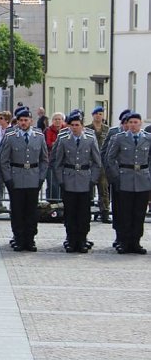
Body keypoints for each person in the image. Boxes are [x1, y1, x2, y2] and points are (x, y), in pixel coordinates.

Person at [0, 106, 48, 252]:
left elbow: (44, 160)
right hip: (16, 178)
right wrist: (8, 179)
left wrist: (41, 178)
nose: (23, 123)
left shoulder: (39, 136)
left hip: (33, 178)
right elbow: (4, 160)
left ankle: (30, 239)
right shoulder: (11, 136)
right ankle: (19, 238)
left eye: (26, 120)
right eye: (21, 120)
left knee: (31, 211)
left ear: (31, 121)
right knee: (17, 211)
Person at [53, 112, 101, 253]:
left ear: (82, 126)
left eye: (77, 125)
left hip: (85, 180)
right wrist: (61, 180)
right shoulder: (64, 139)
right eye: (72, 125)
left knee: (84, 213)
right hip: (69, 179)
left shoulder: (90, 139)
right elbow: (58, 162)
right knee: (70, 212)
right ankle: (71, 239)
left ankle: (82, 239)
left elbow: (97, 162)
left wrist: (93, 180)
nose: (74, 128)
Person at [105, 112, 151, 254]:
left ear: (140, 123)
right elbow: (110, 158)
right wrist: (116, 175)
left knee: (139, 213)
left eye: (135, 122)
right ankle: (124, 242)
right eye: (130, 122)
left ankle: (136, 242)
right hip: (125, 178)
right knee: (125, 213)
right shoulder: (119, 138)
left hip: (143, 179)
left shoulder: (148, 138)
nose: (133, 125)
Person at [86, 106, 111, 223]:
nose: (98, 116)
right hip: (90, 163)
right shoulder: (87, 129)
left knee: (103, 189)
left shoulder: (107, 129)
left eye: (100, 114)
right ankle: (86, 211)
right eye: (96, 114)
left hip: (102, 164)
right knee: (87, 189)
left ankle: (105, 212)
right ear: (93, 115)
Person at [0, 111, 12, 213]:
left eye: (1, 118)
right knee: (0, 183)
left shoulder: (12, 130)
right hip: (0, 159)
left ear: (7, 120)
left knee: (10, 182)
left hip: (9, 160)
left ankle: (12, 203)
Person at [45, 113, 66, 201]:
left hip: (64, 161)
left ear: (63, 121)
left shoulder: (66, 130)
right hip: (51, 161)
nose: (57, 121)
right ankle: (51, 202)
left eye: (59, 119)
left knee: (63, 183)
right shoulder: (47, 130)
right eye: (55, 119)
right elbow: (48, 144)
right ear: (52, 121)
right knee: (52, 183)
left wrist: (55, 143)